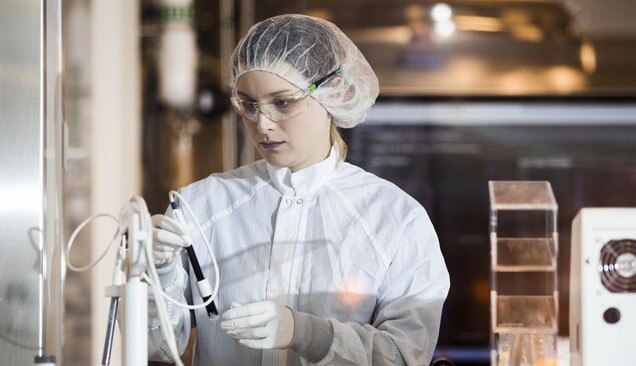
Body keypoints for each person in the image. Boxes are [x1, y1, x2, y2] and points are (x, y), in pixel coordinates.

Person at [148, 14, 450, 366]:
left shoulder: (395, 219)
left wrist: (307, 334)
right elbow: (156, 349)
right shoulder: (201, 206)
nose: (263, 123)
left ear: (333, 91)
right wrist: (157, 270)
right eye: (248, 104)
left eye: (284, 102)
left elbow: (404, 354)